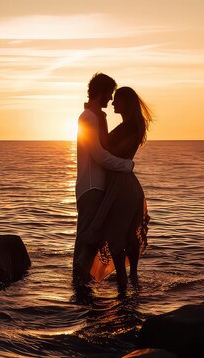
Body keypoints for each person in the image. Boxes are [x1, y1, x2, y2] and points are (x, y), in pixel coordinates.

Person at [84, 86, 152, 290]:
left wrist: (99, 121)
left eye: (117, 100)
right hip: (124, 184)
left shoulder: (133, 127)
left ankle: (125, 279)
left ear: (126, 103)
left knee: (116, 235)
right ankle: (132, 279)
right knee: (128, 234)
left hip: (122, 187)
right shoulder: (127, 126)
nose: (113, 103)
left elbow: (112, 151)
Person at [73, 73, 134, 283]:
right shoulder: (88, 118)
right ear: (102, 92)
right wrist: (126, 165)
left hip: (96, 188)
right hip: (91, 189)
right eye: (109, 94)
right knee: (87, 242)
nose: (111, 99)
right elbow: (98, 154)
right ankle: (80, 289)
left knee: (93, 240)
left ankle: (84, 288)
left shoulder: (96, 117)